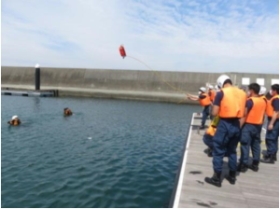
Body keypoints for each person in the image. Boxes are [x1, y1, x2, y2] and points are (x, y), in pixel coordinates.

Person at [204, 75, 246, 187]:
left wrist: (214, 106)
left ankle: (216, 178)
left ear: (221, 84)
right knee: (232, 150)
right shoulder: (242, 93)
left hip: (225, 124)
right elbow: (244, 113)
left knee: (218, 150)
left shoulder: (221, 93)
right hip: (237, 124)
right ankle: (232, 176)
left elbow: (214, 113)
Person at [238, 83, 266, 172]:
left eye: (249, 90)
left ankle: (243, 164)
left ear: (252, 91)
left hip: (248, 126)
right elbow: (263, 115)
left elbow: (244, 115)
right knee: (256, 145)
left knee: (245, 145)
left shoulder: (250, 101)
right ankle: (255, 164)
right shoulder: (263, 101)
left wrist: (239, 126)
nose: (248, 92)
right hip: (258, 126)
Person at [262, 84, 279, 163]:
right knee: (274, 138)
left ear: (275, 91)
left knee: (270, 138)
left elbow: (276, 111)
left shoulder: (276, 99)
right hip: (275, 120)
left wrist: (271, 123)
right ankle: (273, 155)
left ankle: (270, 156)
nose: (270, 91)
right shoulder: (276, 98)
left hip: (274, 120)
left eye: (271, 90)